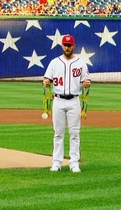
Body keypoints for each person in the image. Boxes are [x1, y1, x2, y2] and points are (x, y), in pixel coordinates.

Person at [43, 34, 91, 173]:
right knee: (58, 133)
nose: (67, 47)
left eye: (69, 45)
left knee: (74, 133)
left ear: (73, 46)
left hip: (74, 100)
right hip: (57, 99)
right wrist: (46, 81)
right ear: (62, 46)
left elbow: (85, 81)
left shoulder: (81, 63)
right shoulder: (54, 62)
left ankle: (74, 162)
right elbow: (46, 79)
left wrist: (87, 83)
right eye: (65, 45)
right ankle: (56, 162)